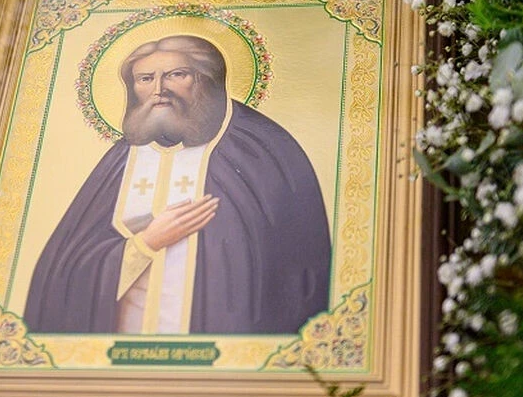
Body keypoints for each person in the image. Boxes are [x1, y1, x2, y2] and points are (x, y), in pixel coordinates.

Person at [23, 35, 331, 334]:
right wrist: (145, 244)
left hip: (225, 357)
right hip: (120, 355)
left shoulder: (261, 150)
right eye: (145, 79)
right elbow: (64, 275)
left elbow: (297, 267)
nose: (159, 90)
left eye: (176, 75)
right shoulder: (119, 160)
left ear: (207, 80)